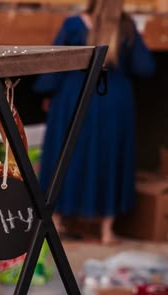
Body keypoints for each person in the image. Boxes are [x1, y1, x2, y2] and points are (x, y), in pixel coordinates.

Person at [35, 2, 155, 245]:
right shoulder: (126, 27)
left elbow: (54, 65)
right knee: (110, 160)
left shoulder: (73, 25)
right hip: (113, 100)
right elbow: (145, 67)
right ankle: (107, 231)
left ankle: (55, 222)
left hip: (74, 98)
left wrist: (46, 92)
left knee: (64, 157)